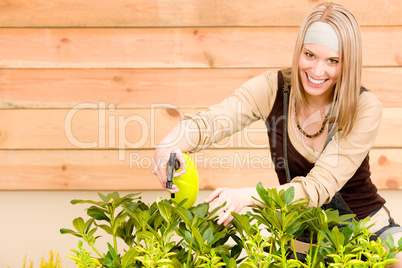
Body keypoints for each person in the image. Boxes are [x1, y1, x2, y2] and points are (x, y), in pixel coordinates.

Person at [152, 2, 402, 265]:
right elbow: (210, 123)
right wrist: (168, 145)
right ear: (299, 51)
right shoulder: (273, 89)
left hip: (365, 230)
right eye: (309, 55)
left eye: (332, 61)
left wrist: (247, 197)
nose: (317, 71)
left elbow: (318, 187)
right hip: (299, 238)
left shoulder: (364, 107)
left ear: (347, 63)